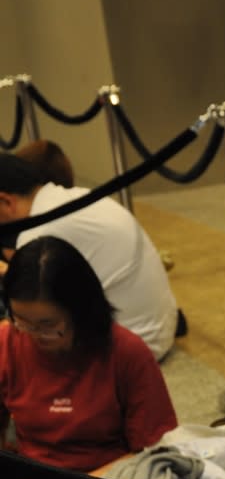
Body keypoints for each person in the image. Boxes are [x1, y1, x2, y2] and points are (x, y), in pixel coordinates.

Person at [0, 236, 181, 479]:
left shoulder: (125, 351)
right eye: (22, 322)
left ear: (78, 310)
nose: (35, 336)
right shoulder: (6, 342)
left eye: (49, 325)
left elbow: (152, 454)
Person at [0, 152, 179, 360]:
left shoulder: (36, 233)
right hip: (156, 331)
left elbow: (27, 314)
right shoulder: (80, 196)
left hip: (122, 352)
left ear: (5, 201)